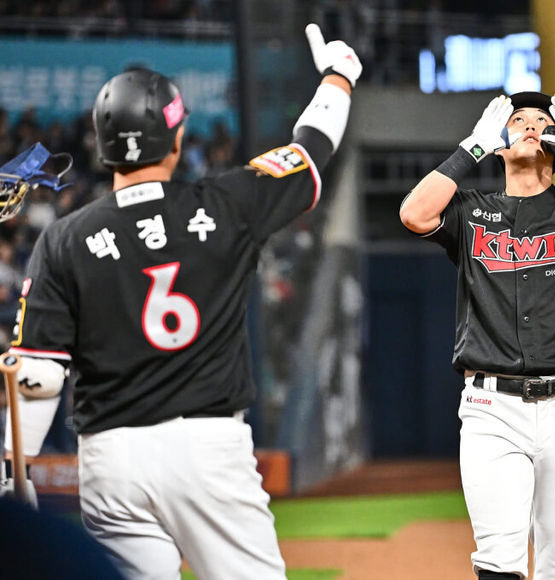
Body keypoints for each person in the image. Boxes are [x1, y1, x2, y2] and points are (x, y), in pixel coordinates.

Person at [3, 23, 360, 579]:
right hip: (208, 448)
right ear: (175, 139)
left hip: (110, 457)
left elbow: (37, 377)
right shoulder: (228, 203)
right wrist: (339, 76)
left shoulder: (64, 238)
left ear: (101, 145)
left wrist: (14, 473)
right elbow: (311, 149)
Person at [399, 91, 555, 579]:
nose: (531, 125)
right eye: (518, 119)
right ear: (498, 142)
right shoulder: (471, 212)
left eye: (543, 120)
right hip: (490, 409)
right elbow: (413, 214)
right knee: (498, 561)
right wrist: (471, 147)